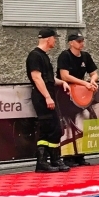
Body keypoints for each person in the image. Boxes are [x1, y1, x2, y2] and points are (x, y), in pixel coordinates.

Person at [26, 29, 69, 173]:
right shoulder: (35, 55)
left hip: (47, 95)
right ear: (48, 39)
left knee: (54, 128)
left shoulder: (43, 56)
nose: (55, 41)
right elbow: (37, 78)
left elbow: (49, 78)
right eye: (54, 38)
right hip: (42, 97)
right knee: (47, 128)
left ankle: (54, 160)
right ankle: (43, 162)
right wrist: (47, 97)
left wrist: (62, 82)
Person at [56, 32, 99, 166]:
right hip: (66, 93)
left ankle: (80, 155)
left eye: (82, 41)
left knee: (81, 122)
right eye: (79, 41)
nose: (82, 44)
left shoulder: (86, 56)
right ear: (71, 43)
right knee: (69, 123)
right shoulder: (65, 55)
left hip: (80, 94)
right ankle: (68, 156)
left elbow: (94, 73)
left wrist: (92, 81)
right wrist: (84, 83)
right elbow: (65, 76)